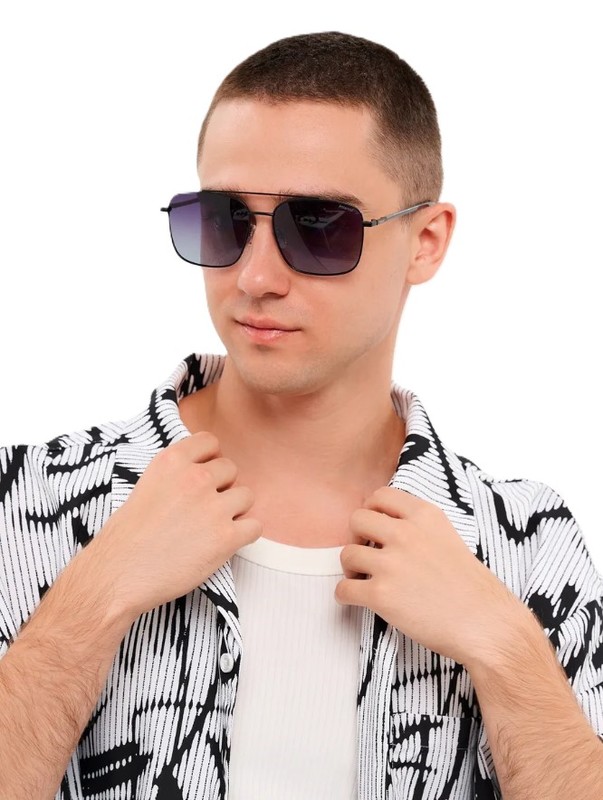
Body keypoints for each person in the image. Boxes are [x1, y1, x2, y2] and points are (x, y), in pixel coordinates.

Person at [0, 30, 602, 800]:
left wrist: (505, 650)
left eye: (317, 226)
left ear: (425, 242)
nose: (255, 276)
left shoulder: (527, 546)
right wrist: (92, 599)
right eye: (224, 219)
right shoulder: (30, 500)